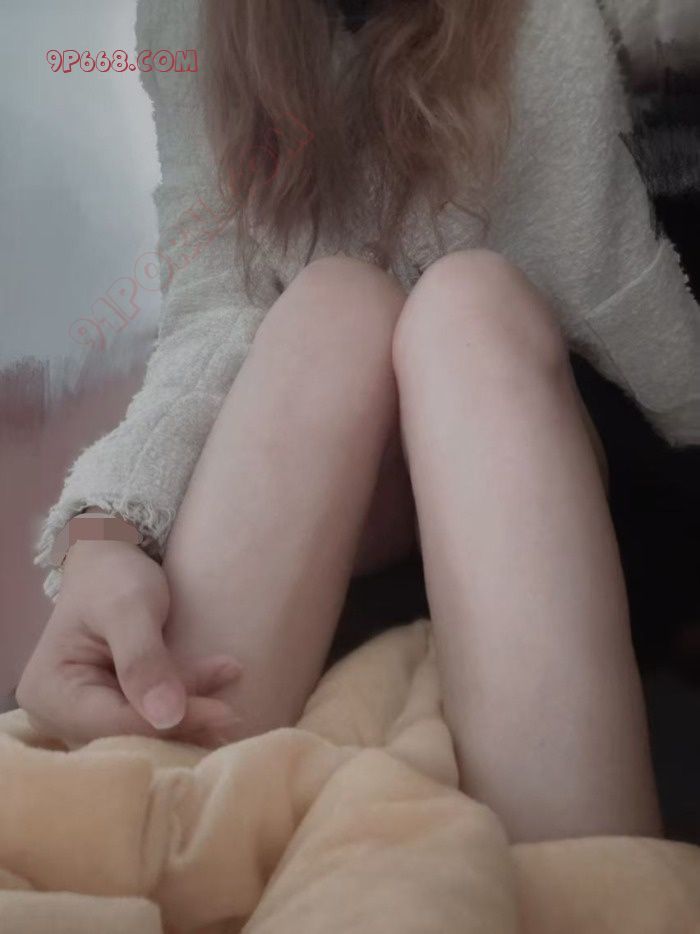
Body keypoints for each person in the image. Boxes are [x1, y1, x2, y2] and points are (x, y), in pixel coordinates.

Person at [18, 0, 700, 843]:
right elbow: (212, 312)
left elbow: (616, 275)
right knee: (333, 305)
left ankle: (588, 876)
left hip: (570, 454)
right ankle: (163, 834)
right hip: (351, 483)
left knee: (465, 308)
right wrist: (102, 531)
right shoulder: (191, 25)